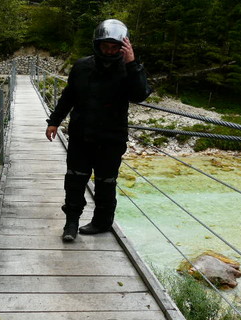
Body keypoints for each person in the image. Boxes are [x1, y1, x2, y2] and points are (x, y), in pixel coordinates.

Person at [45, 19, 152, 242]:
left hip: (111, 139)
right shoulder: (82, 66)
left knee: (106, 183)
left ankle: (102, 223)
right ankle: (71, 223)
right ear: (98, 45)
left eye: (115, 47)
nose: (110, 51)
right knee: (75, 180)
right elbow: (68, 96)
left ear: (123, 47)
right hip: (81, 136)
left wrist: (132, 63)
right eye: (106, 46)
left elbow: (140, 94)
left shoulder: (129, 69)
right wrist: (54, 121)